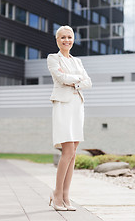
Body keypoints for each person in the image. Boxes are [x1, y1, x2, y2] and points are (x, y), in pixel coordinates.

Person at [47, 25, 92, 211]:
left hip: (77, 106)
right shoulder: (52, 58)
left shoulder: (78, 61)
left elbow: (88, 82)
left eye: (69, 37)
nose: (66, 40)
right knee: (67, 152)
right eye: (63, 37)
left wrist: (73, 79)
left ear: (73, 39)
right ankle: (57, 193)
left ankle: (66, 195)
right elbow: (61, 78)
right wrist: (77, 80)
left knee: (73, 153)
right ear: (57, 40)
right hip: (63, 106)